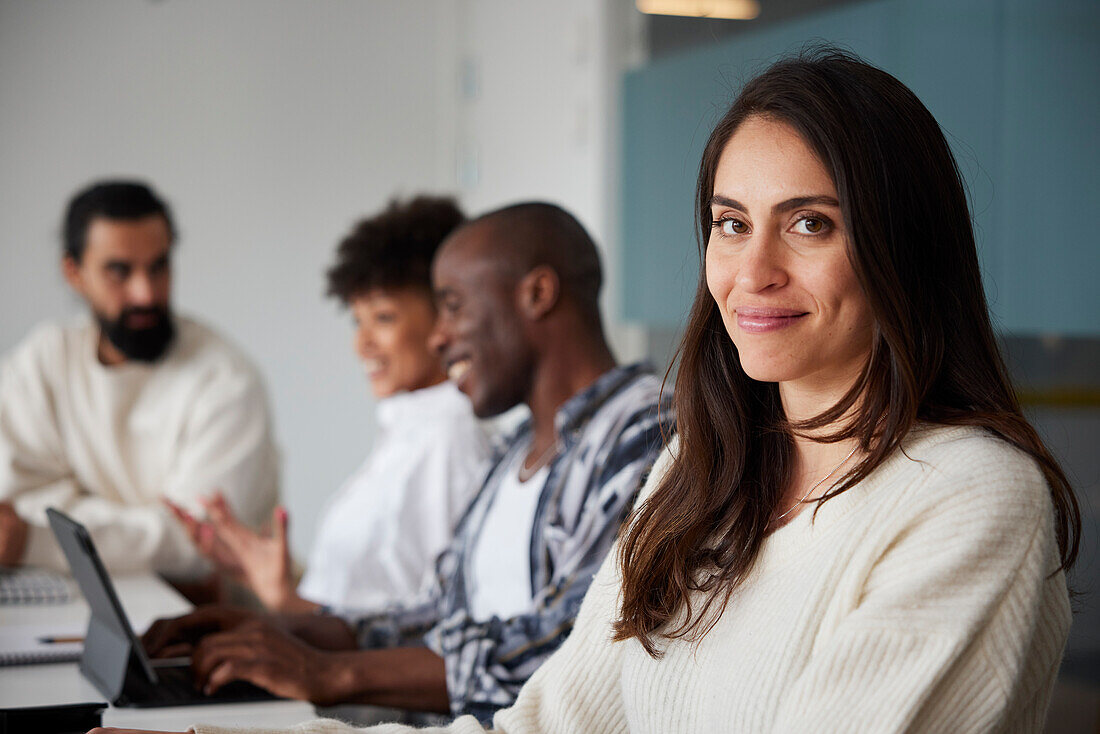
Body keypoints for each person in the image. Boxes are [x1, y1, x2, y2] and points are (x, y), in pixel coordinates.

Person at [98, 47, 1082, 734]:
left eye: (810, 224)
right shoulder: (700, 469)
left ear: (900, 246)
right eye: (730, 222)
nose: (750, 272)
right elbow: (545, 718)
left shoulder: (967, 498)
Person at [136, 202, 674, 724]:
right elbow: (434, 613)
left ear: (537, 294)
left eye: (454, 306)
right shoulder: (515, 450)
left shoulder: (646, 432)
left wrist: (330, 673)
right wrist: (277, 629)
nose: (440, 336)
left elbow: (570, 647)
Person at [165, 196, 490, 614]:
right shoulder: (411, 428)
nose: (362, 343)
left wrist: (285, 602)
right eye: (358, 321)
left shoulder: (450, 439)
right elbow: (359, 601)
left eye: (384, 318)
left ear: (446, 316)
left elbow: (432, 628)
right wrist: (260, 577)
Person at [0, 180, 279, 580]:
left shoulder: (226, 380)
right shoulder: (43, 361)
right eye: (120, 271)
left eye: (158, 266)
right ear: (73, 272)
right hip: (70, 595)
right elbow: (15, 500)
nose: (145, 293)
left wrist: (44, 536)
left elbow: (196, 546)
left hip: (218, 621)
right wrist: (145, 526)